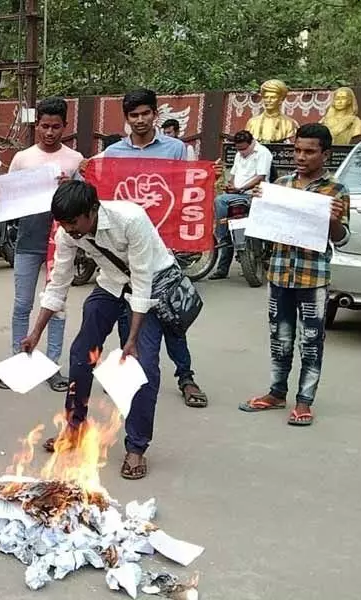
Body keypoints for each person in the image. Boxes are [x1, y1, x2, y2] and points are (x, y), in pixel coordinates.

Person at [21, 180, 170, 480]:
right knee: (80, 354)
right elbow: (58, 281)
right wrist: (36, 331)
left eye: (74, 223)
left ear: (93, 210)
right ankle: (74, 429)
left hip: (150, 285)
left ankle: (137, 447)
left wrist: (131, 339)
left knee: (143, 368)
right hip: (110, 283)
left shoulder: (131, 220)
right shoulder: (67, 231)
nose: (69, 231)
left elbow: (142, 281)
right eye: (64, 225)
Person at [103, 88, 208, 409]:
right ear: (126, 118)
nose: (139, 120)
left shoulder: (176, 149)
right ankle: (129, 372)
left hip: (163, 251)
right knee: (128, 315)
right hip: (125, 254)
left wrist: (206, 178)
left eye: (145, 114)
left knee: (170, 317)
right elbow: (107, 199)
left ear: (155, 115)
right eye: (133, 115)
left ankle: (186, 377)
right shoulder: (113, 154)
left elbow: (187, 192)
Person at [239, 124, 350, 426]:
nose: (301, 157)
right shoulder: (281, 185)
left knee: (312, 341)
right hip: (279, 274)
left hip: (313, 278)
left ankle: (304, 402)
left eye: (309, 151)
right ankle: (276, 393)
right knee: (280, 337)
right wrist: (261, 204)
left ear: (325, 154)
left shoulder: (335, 191)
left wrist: (334, 221)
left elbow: (341, 239)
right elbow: (264, 230)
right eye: (297, 150)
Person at [0, 98, 82, 393]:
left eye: (56, 127)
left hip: (62, 243)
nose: (50, 132)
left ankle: (52, 365)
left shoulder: (76, 160)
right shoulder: (22, 158)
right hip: (28, 240)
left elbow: (85, 201)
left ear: (65, 126)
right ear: (36, 125)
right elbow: (8, 195)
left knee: (57, 305)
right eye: (45, 126)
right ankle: (19, 362)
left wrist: (71, 187)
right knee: (22, 304)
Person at [211, 130, 272, 280]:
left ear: (252, 143)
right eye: (239, 149)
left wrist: (242, 188)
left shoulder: (263, 153)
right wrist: (230, 185)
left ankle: (264, 251)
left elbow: (261, 177)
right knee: (221, 205)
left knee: (221, 201)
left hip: (255, 194)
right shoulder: (239, 155)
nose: (242, 152)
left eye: (244, 149)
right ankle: (222, 241)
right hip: (236, 194)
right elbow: (233, 175)